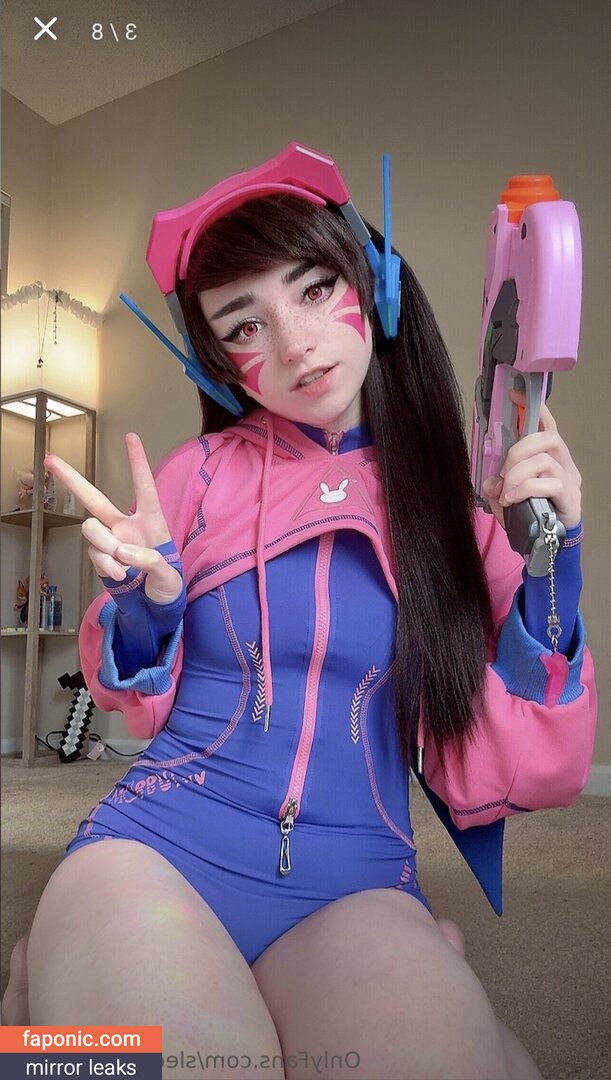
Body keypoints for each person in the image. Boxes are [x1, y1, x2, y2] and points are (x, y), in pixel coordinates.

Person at [2, 144, 596, 1080]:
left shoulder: (464, 504)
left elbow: (527, 767)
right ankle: (49, 1011)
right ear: (218, 362)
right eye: (244, 323)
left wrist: (551, 560)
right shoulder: (194, 476)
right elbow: (136, 702)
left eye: (315, 290)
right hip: (159, 845)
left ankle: (40, 1011)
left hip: (356, 878)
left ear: (374, 288)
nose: (293, 344)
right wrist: (145, 608)